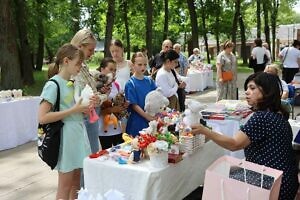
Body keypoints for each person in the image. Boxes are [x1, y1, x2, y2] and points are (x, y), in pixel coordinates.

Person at [192, 72, 299, 200]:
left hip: (272, 183)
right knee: (229, 172)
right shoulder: (277, 113)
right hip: (286, 179)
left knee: (221, 179)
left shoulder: (262, 117)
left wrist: (205, 131)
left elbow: (234, 144)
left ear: (266, 91)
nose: (247, 92)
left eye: (252, 88)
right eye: (247, 88)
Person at [38, 44, 91, 199]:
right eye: (78, 63)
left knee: (76, 182)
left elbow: (79, 111)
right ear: (66, 61)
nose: (81, 67)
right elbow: (42, 117)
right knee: (65, 185)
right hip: (65, 138)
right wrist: (74, 110)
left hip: (77, 136)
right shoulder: (53, 85)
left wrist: (88, 106)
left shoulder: (74, 83)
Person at [71, 28, 104, 154]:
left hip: (88, 115)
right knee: (88, 154)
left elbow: (89, 87)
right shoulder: (75, 69)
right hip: (84, 117)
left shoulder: (83, 66)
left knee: (91, 152)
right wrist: (102, 97)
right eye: (90, 50)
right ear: (79, 47)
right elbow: (84, 95)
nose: (93, 53)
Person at [125, 52, 157, 137]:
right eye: (139, 64)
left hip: (151, 117)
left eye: (145, 64)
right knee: (138, 145)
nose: (143, 67)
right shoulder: (130, 83)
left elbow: (156, 97)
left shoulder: (149, 81)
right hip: (137, 120)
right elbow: (134, 105)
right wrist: (146, 116)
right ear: (133, 65)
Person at [97, 58, 126, 149]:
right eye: (110, 69)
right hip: (103, 130)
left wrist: (123, 105)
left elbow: (118, 101)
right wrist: (111, 109)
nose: (113, 72)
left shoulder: (116, 85)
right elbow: (96, 111)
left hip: (116, 128)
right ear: (102, 69)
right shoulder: (97, 86)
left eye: (115, 70)